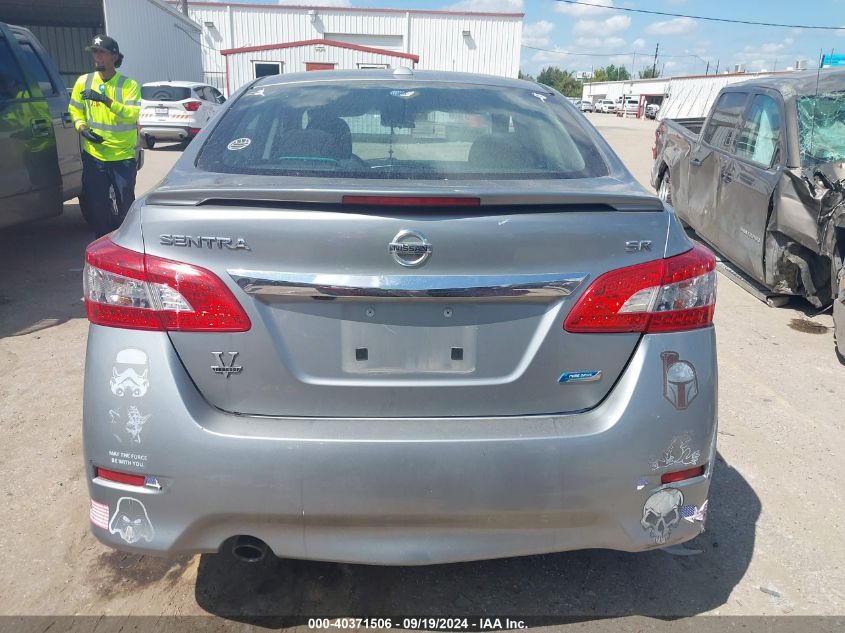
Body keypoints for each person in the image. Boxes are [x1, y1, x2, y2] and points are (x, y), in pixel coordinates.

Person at [68, 35, 141, 237]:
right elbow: (74, 109)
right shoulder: (84, 81)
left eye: (101, 52)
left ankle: (127, 240)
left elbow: (132, 114)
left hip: (122, 156)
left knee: (125, 203)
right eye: (94, 52)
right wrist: (82, 128)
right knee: (97, 205)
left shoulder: (129, 85)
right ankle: (103, 242)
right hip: (94, 156)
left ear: (114, 56)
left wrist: (105, 99)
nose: (96, 57)